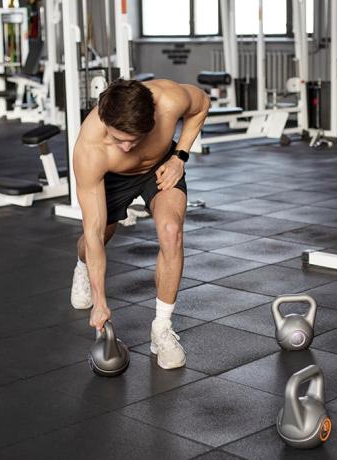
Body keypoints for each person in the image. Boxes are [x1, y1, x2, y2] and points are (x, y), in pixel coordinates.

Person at [70, 78, 210, 369]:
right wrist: (100, 301)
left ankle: (161, 329)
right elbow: (93, 234)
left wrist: (179, 158)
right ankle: (82, 267)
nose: (124, 146)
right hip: (112, 179)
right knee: (97, 238)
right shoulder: (90, 150)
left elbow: (202, 105)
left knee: (171, 232)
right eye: (117, 138)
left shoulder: (170, 99)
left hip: (161, 166)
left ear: (152, 118)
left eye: (132, 139)